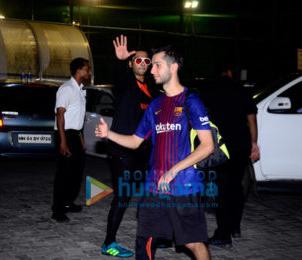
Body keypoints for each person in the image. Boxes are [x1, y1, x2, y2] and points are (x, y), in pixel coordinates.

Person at [96, 45, 213, 260]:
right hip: (154, 186)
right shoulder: (156, 104)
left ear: (173, 67)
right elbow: (134, 141)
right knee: (145, 240)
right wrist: (108, 134)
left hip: (184, 186)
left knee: (192, 243)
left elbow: (207, 146)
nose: (152, 70)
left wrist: (173, 171)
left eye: (157, 65)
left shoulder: (191, 101)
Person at [101, 35, 158, 258]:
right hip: (123, 152)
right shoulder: (127, 86)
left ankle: (154, 234)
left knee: (149, 195)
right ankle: (108, 243)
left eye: (146, 61)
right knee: (123, 197)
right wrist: (119, 61)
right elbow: (118, 77)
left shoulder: (152, 90)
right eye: (138, 61)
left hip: (144, 153)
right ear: (131, 64)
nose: (142, 64)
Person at [200, 60, 260, 248]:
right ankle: (234, 228)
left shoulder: (209, 90)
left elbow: (203, 119)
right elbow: (252, 120)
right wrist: (253, 143)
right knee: (236, 189)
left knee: (222, 191)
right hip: (241, 146)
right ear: (230, 73)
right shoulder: (242, 90)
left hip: (221, 148)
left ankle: (223, 235)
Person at [51, 57, 91, 222]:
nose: (89, 72)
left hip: (75, 135)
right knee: (64, 173)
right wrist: (63, 141)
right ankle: (57, 209)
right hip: (64, 134)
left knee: (76, 172)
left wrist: (81, 138)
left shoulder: (80, 90)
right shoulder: (66, 89)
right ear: (79, 70)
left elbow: (77, 117)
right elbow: (60, 115)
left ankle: (68, 202)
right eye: (87, 69)